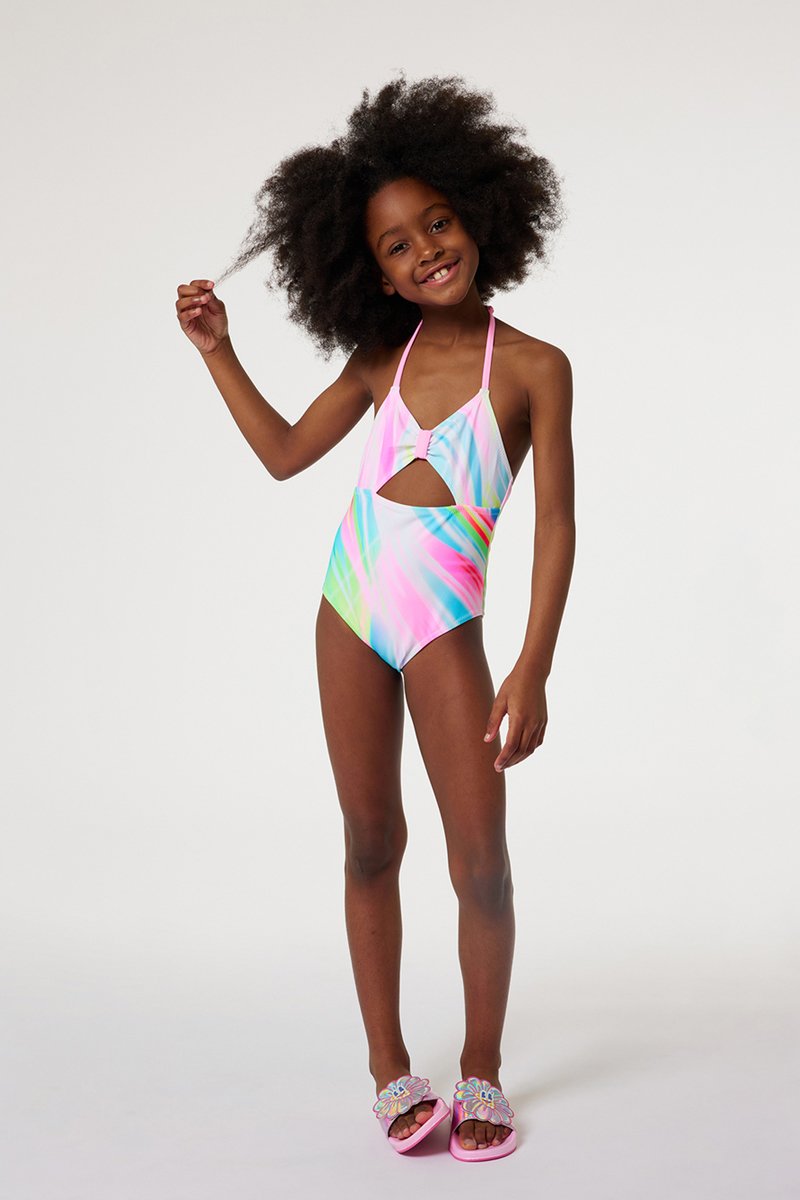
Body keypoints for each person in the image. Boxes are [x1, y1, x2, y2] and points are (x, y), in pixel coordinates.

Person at [175, 73, 575, 1161]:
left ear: (477, 214)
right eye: (396, 246)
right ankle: (387, 1064)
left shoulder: (533, 368)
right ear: (371, 272)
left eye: (436, 224)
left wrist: (531, 665)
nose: (425, 252)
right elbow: (282, 456)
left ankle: (482, 1065)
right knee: (369, 842)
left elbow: (554, 524)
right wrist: (218, 349)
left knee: (479, 859)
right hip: (348, 610)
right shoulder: (376, 362)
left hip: (445, 623)